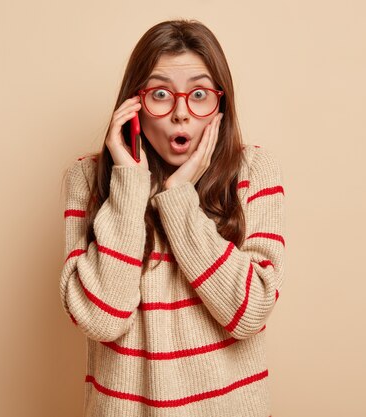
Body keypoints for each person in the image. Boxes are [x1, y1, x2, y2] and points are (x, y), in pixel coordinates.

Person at [59, 18, 285, 417]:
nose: (181, 113)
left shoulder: (252, 172)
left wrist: (179, 199)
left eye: (199, 94)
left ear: (221, 104)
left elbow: (248, 313)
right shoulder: (86, 180)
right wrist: (129, 183)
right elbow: (100, 319)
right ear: (134, 104)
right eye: (161, 94)